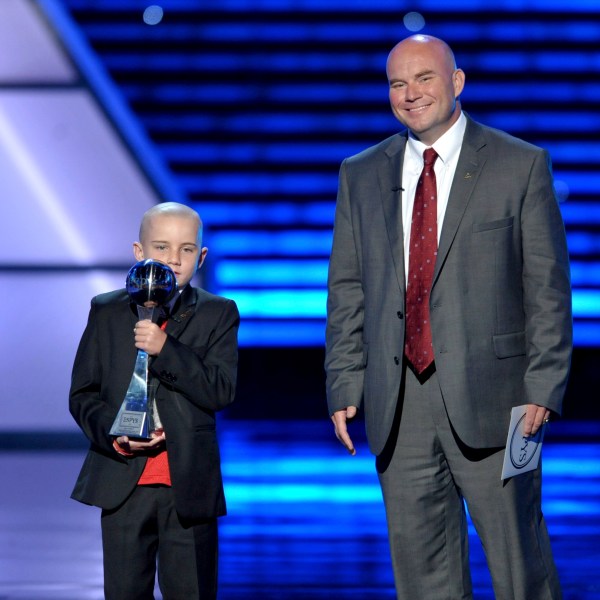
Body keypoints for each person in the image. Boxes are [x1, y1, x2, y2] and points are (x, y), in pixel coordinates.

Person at [325, 34, 571, 600]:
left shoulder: (519, 165)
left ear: (456, 82)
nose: (410, 94)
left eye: (425, 78)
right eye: (397, 83)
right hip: (398, 401)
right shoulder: (360, 174)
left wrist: (544, 385)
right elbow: (348, 288)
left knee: (520, 568)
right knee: (423, 577)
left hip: (506, 400)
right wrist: (344, 380)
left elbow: (548, 290)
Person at [70, 202, 239, 600]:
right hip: (123, 481)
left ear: (201, 257)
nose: (173, 259)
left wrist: (168, 349)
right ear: (139, 252)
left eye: (185, 250)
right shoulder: (107, 311)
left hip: (188, 488)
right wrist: (115, 434)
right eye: (161, 247)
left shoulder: (218, 313)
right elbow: (82, 395)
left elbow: (220, 390)